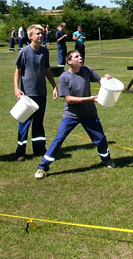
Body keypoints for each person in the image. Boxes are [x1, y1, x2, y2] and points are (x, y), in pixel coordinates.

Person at [34, 50, 115, 179]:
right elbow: (69, 99)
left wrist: (107, 78)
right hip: (71, 115)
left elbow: (101, 81)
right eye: (77, 57)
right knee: (59, 138)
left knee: (100, 138)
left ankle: (107, 159)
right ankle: (42, 167)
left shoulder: (86, 70)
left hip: (89, 113)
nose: (80, 58)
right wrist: (88, 98)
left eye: (80, 56)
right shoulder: (64, 77)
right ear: (70, 62)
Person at [13, 24, 59, 161]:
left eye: (41, 34)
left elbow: (47, 70)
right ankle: (21, 151)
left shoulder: (45, 52)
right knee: (25, 122)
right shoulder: (25, 51)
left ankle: (39, 148)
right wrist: (16, 88)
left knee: (39, 122)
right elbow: (18, 70)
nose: (40, 36)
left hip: (41, 93)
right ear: (30, 36)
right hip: (27, 94)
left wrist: (54, 86)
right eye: (37, 34)